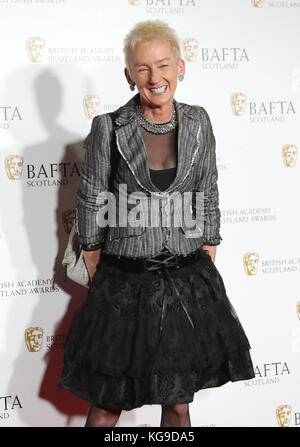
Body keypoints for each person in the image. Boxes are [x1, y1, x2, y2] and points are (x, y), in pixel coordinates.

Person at [58, 20, 255, 427]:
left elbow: (209, 188)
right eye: (143, 68)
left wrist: (209, 244)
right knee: (110, 401)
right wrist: (94, 255)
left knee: (179, 402)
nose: (155, 77)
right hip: (125, 283)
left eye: (164, 65)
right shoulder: (109, 127)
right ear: (129, 75)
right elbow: (92, 196)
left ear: (180, 67)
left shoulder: (198, 121)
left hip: (186, 278)